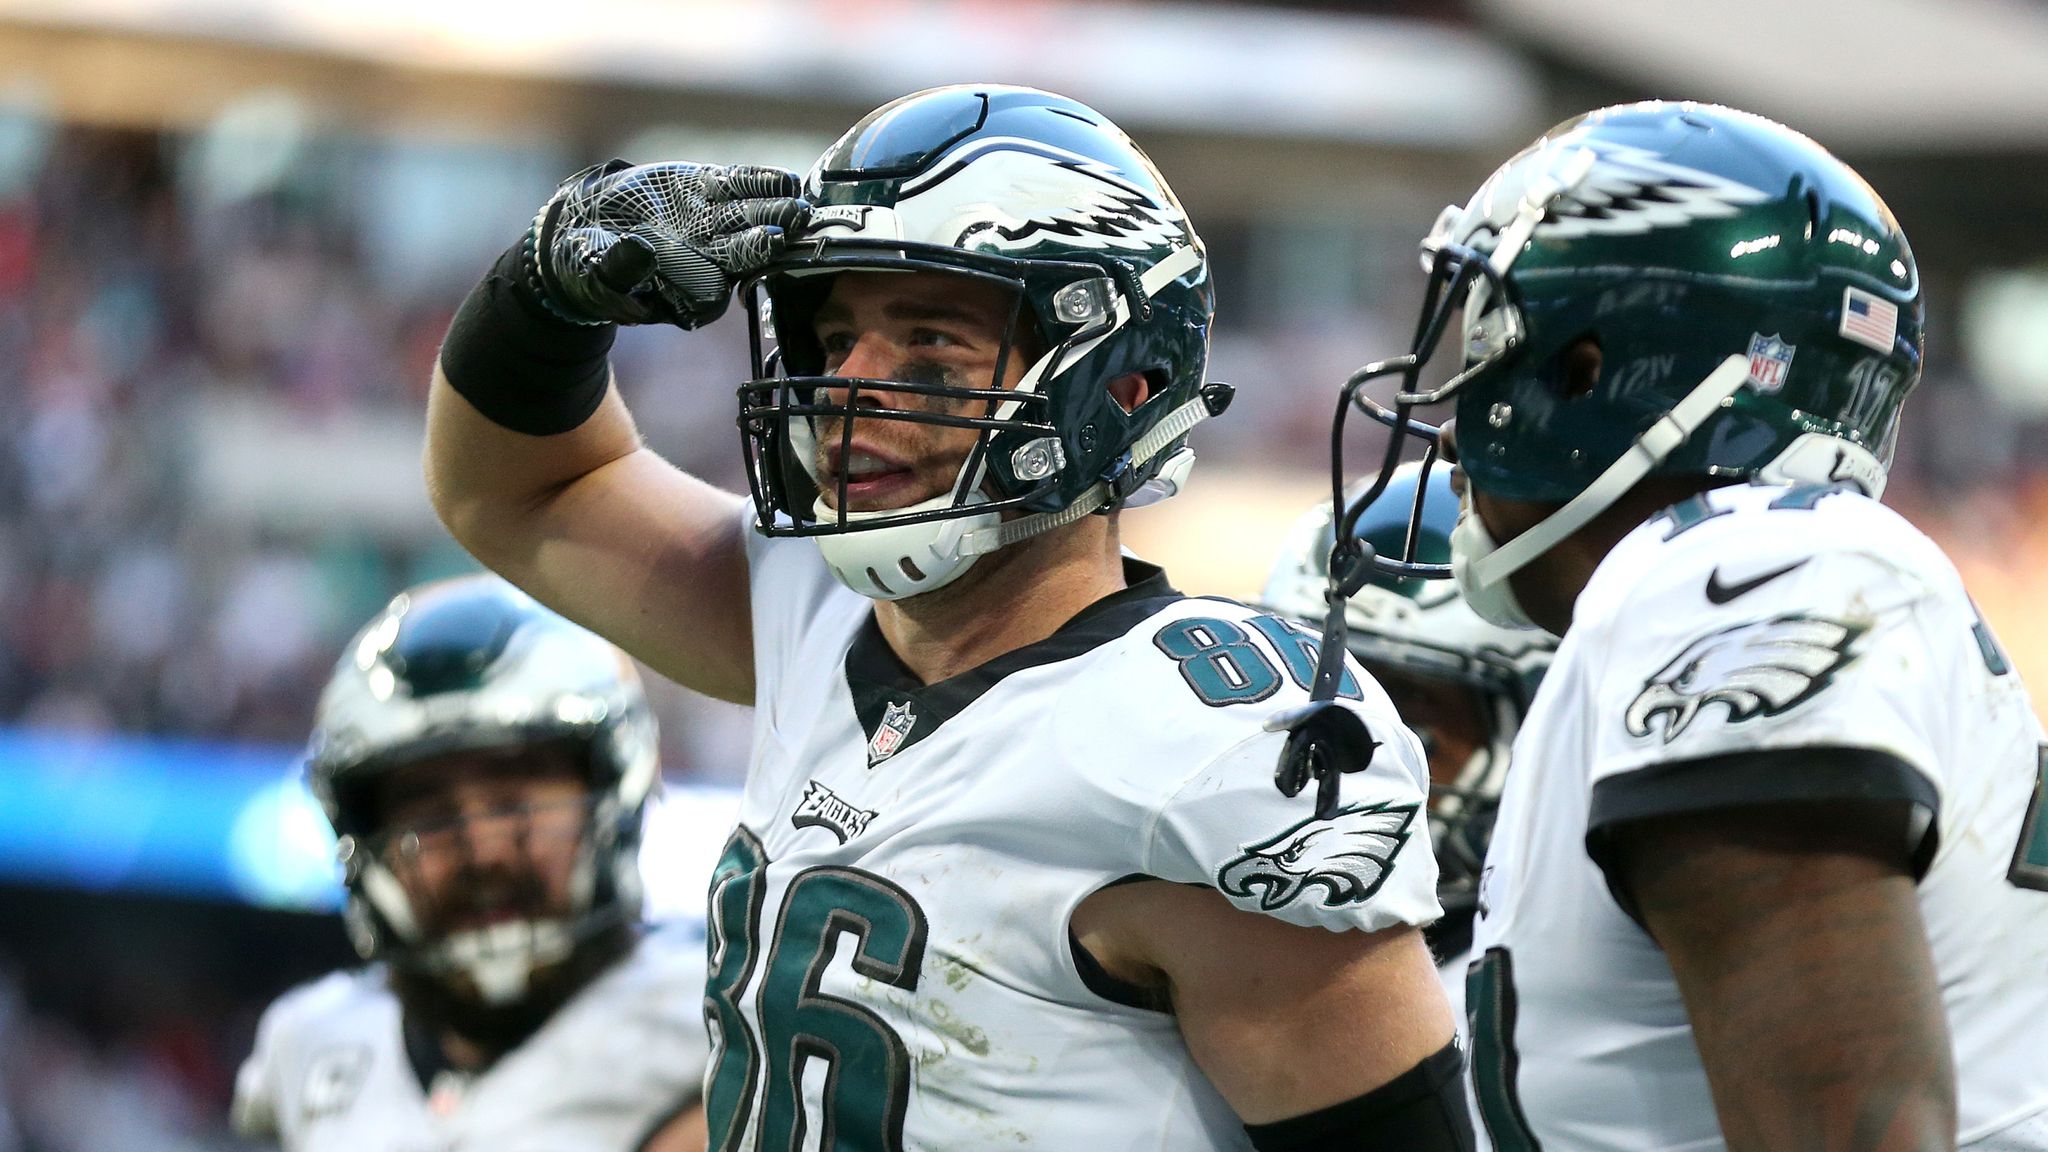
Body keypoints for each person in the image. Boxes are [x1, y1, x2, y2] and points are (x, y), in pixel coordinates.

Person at [425, 84, 1473, 1149]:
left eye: (929, 350)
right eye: (834, 340)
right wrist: (548, 288)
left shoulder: (1202, 753)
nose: (847, 386)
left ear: (1118, 382)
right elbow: (514, 491)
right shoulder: (817, 611)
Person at [1328, 100, 2048, 1151]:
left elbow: (1849, 1131)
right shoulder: (1745, 560)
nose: (1458, 399)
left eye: (1489, 342)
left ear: (1583, 369)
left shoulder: (1733, 567)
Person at [231, 575, 711, 1151]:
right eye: (427, 812)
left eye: (517, 800)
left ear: (615, 795)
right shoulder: (308, 1046)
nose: (484, 851)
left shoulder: (718, 1018)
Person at [1258, 464, 1552, 1015]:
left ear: (1531, 724)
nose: (1336, 744)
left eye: (1407, 704)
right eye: (1318, 681)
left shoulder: (1550, 989)